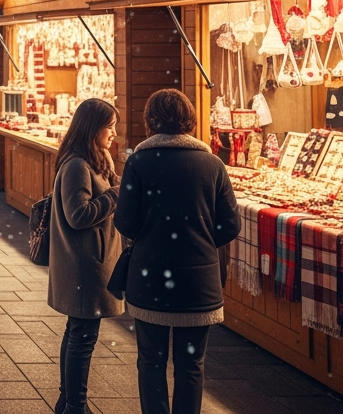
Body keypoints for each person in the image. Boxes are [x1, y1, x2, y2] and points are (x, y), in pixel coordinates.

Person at [115, 89, 240, 414]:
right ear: (189, 120)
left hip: (150, 277)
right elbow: (230, 226)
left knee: (151, 361)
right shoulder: (212, 164)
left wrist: (154, 236)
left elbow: (125, 222)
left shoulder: (139, 162)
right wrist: (198, 240)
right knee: (191, 365)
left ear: (150, 120)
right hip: (199, 281)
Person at [48, 98, 124, 414]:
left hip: (93, 260)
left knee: (77, 332)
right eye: (110, 126)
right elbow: (78, 215)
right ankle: (75, 406)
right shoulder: (77, 165)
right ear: (93, 128)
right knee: (83, 337)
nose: (114, 133)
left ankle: (67, 401)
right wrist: (115, 195)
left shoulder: (98, 158)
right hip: (84, 264)